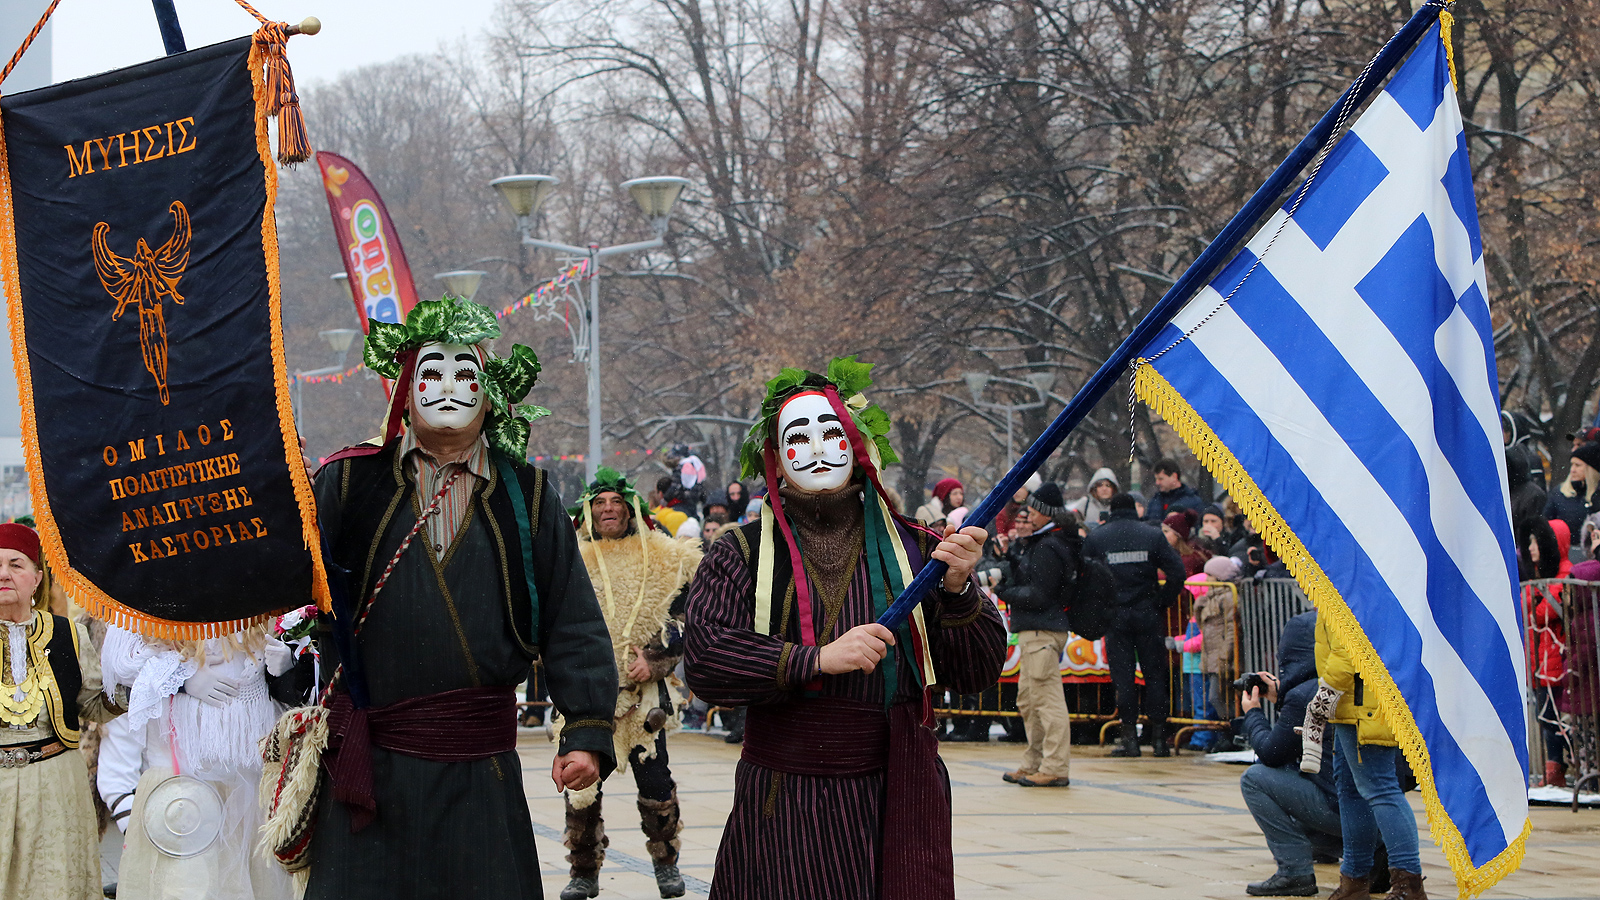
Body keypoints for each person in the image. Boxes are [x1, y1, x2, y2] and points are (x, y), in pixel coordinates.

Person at [303, 296, 619, 899]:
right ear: (404, 389)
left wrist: (584, 730)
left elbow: (571, 618)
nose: (447, 388)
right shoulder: (348, 481)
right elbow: (298, 585)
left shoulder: (527, 494)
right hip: (371, 761)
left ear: (489, 393)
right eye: (430, 374)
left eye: (465, 374)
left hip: (482, 767)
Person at [684, 358, 1007, 900]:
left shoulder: (921, 551)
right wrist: (814, 659)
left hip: (892, 794)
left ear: (858, 448)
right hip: (782, 797)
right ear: (775, 460)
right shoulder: (738, 553)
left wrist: (957, 588)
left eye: (831, 432)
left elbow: (976, 671)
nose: (814, 449)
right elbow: (707, 659)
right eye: (797, 438)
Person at [559, 467, 703, 900]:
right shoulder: (570, 559)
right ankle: (583, 872)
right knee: (580, 791)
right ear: (587, 511)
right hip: (585, 696)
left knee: (657, 786)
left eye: (615, 502)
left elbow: (684, 622)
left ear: (630, 509)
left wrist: (657, 661)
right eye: (599, 503)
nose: (607, 509)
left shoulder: (664, 558)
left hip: (644, 700)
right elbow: (554, 628)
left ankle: (665, 865)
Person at [100, 622, 296, 900]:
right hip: (181, 794)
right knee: (184, 887)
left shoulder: (256, 611)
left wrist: (292, 664)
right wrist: (181, 677)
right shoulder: (152, 619)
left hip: (249, 792)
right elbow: (121, 664)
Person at [0, 523, 126, 900]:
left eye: (16, 564)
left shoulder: (68, 632)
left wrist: (132, 688)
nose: (4, 574)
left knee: (56, 882)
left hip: (57, 782)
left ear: (37, 578)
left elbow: (90, 705)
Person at [1306, 614, 1426, 900]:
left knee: (1380, 789)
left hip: (1360, 703)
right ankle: (1354, 882)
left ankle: (1408, 884)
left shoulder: (1347, 583)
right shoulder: (1345, 580)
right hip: (1351, 704)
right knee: (1351, 792)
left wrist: (1324, 696)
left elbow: (1347, 648)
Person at [1236, 611, 1349, 898]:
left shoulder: (1304, 696)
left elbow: (1272, 753)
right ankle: (1373, 860)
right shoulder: (1353, 683)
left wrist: (1253, 714)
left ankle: (1294, 870)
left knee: (1256, 778)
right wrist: (1284, 695)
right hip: (1376, 814)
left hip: (1342, 811)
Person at [1084, 493, 1185, 757]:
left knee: (1124, 678)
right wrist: (1161, 601)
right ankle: (1159, 739)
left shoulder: (1098, 538)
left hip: (1115, 616)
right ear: (1133, 510)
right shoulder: (1151, 535)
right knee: (1154, 676)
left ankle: (1130, 739)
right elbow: (1177, 573)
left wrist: (1101, 605)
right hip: (1147, 613)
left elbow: (1085, 577)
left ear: (1112, 510)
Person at [996, 483, 1079, 787]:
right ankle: (1034, 761)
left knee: (1047, 701)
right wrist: (1010, 560)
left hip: (1043, 630)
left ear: (1045, 514)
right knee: (1030, 701)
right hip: (1035, 631)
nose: (1026, 514)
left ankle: (1056, 765)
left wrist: (1004, 591)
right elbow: (1033, 580)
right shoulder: (1043, 543)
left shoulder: (1049, 546)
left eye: (1032, 510)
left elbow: (1040, 594)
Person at [1546, 440, 1599, 539]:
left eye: (1578, 465)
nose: (1572, 470)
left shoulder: (1596, 497)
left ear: (1591, 470)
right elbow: (1546, 524)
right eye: (1572, 465)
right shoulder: (1559, 493)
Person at [1143, 459, 1204, 524]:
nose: (1157, 483)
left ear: (1174, 476)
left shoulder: (1193, 502)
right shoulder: (1154, 500)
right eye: (1156, 479)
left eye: (1161, 479)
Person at [1163, 510, 1212, 576]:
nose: (1162, 535)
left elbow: (1180, 578)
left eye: (1166, 531)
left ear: (1178, 535)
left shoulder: (1191, 558)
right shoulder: (1171, 554)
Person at [1069, 467, 1119, 531]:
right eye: (1100, 485)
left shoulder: (1119, 505)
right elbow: (1074, 524)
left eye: (1108, 485)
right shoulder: (1084, 504)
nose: (1104, 489)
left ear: (1113, 488)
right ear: (1094, 489)